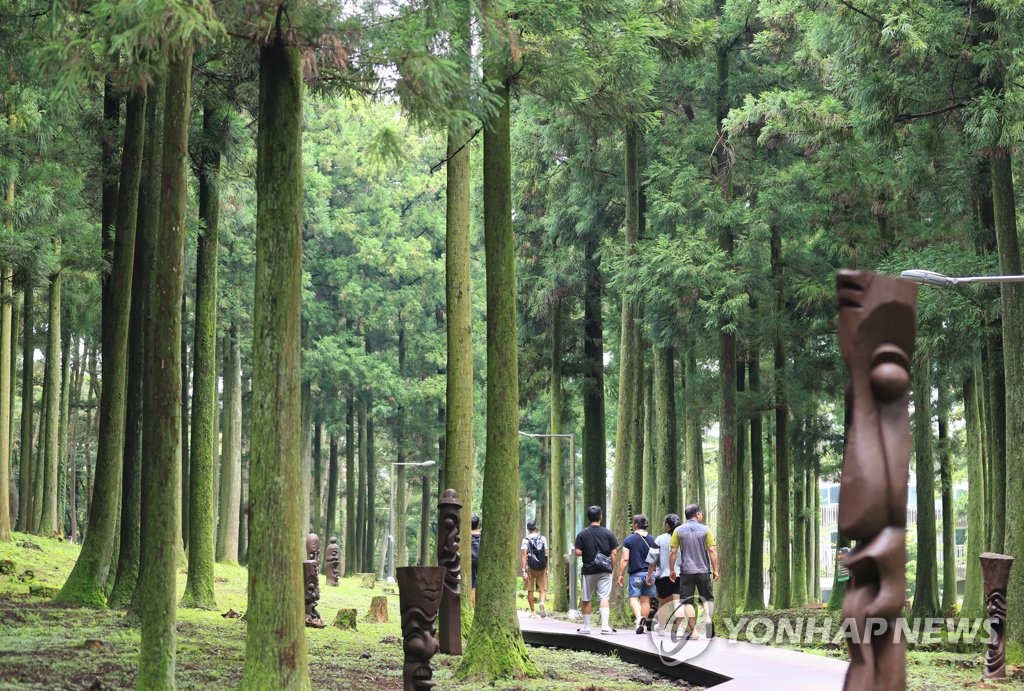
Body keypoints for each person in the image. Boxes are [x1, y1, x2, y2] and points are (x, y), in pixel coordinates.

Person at [668, 504, 719, 639]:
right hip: (703, 570)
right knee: (707, 598)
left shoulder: (678, 531)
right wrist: (715, 569)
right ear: (697, 514)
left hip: (686, 572)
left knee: (688, 602)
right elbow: (712, 550)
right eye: (701, 514)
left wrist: (672, 570)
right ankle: (708, 619)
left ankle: (694, 632)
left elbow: (673, 551)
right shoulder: (706, 530)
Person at [574, 505, 618, 635]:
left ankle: (586, 627)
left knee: (586, 598)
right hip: (604, 569)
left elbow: (577, 552)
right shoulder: (608, 533)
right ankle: (605, 626)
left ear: (588, 518)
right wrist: (612, 568)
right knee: (604, 597)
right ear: (601, 517)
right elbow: (614, 553)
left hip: (588, 570)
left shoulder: (582, 534)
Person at [618, 514, 658, 633]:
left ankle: (639, 619)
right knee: (646, 600)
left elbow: (625, 559)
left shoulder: (629, 540)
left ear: (635, 525)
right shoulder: (653, 539)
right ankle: (644, 625)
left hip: (635, 574)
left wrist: (620, 573)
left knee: (634, 598)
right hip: (650, 575)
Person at [645, 513, 682, 635]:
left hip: (664, 575)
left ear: (667, 525)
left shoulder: (660, 539)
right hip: (680, 575)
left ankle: (661, 628)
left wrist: (649, 575)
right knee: (678, 601)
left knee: (664, 602)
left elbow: (652, 559)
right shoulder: (683, 539)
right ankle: (679, 629)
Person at [520, 519, 549, 618]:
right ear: (536, 527)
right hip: (542, 568)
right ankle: (541, 602)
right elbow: (546, 554)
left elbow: (524, 556)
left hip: (530, 568)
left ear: (528, 529)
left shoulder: (525, 540)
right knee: (543, 589)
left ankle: (533, 612)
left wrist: (523, 571)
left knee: (530, 590)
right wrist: (547, 568)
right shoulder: (543, 538)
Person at [470, 514, 481, 608]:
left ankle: (473, 606)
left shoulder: (466, 535)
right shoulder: (482, 534)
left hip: (470, 561)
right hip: (481, 560)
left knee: (473, 584)